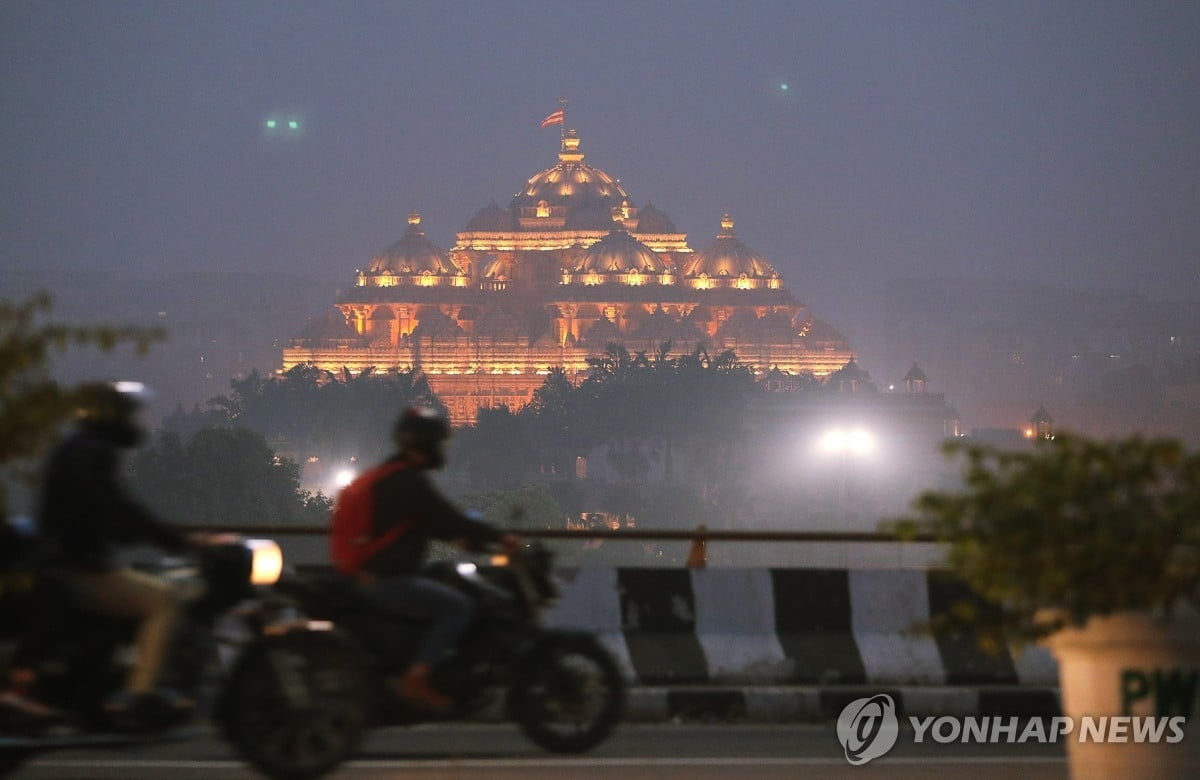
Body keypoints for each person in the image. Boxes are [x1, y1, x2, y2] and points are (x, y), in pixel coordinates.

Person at [34, 381, 194, 720]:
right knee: (164, 599)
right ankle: (138, 694)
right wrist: (177, 541)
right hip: (81, 568)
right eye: (128, 415)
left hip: (67, 563)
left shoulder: (76, 449)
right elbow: (119, 510)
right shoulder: (93, 454)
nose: (134, 423)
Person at [352, 405, 519, 712]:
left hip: (380, 575)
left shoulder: (389, 475)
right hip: (389, 581)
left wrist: (461, 539)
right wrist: (498, 537)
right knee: (459, 606)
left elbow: (427, 523)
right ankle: (418, 676)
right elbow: (446, 517)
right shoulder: (408, 481)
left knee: (441, 575)